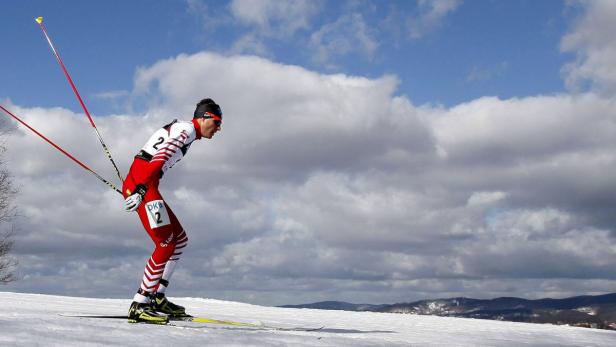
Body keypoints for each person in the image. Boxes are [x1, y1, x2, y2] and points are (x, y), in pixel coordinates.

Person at [122, 98, 222, 324]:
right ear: (203, 117)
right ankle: (140, 303)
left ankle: (157, 297)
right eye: (216, 122)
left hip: (147, 183)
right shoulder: (187, 129)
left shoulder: (187, 132)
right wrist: (139, 189)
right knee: (166, 242)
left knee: (180, 239)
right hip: (143, 182)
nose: (218, 128)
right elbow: (161, 155)